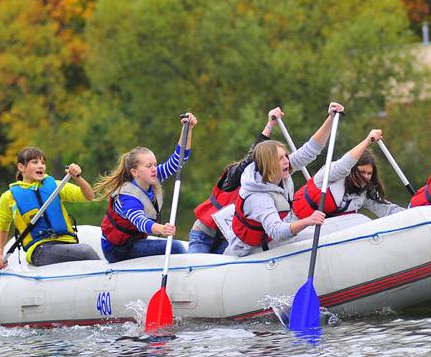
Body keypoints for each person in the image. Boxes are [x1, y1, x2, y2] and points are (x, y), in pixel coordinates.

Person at [223, 102, 345, 257]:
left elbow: (311, 150)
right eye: (281, 158)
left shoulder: (279, 170)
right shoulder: (258, 198)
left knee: (323, 233)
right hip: (250, 252)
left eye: (286, 156)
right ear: (269, 164)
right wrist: (308, 220)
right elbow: (277, 232)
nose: (287, 161)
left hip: (270, 240)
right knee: (314, 235)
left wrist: (331, 118)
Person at [95, 113, 197, 263]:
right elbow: (140, 222)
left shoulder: (151, 178)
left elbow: (178, 160)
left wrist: (187, 129)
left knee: (177, 248)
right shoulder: (127, 197)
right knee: (177, 248)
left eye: (155, 164)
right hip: (117, 250)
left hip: (134, 242)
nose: (154, 169)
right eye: (149, 166)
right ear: (135, 172)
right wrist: (161, 229)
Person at [188, 107, 283, 254]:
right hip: (204, 234)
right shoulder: (234, 176)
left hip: (228, 238)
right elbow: (252, 156)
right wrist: (269, 125)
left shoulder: (264, 187)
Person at [0, 147, 100, 269]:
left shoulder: (56, 186)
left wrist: (77, 177)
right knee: (85, 251)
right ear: (21, 167)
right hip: (40, 249)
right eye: (35, 162)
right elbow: (2, 228)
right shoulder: (9, 197)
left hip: (67, 242)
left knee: (84, 250)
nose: (41, 166)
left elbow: (89, 196)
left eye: (43, 162)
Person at [292, 129, 405, 220]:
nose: (365, 177)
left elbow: (386, 209)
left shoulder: (363, 194)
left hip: (330, 235)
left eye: (369, 173)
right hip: (299, 227)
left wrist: (413, 214)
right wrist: (368, 141)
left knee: (360, 220)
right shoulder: (330, 175)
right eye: (362, 172)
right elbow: (344, 164)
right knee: (360, 220)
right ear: (351, 169)